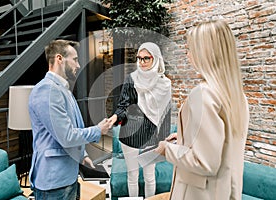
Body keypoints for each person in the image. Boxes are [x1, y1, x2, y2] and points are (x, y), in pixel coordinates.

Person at [154, 20, 250, 200]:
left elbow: (204, 163)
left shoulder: (203, 94)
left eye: (190, 49)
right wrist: (184, 137)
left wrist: (166, 148)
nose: (187, 54)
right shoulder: (237, 96)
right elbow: (225, 144)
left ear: (205, 52)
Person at [28, 39, 111, 200]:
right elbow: (67, 137)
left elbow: (71, 128)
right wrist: (98, 130)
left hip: (68, 177)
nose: (78, 65)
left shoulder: (62, 90)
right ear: (59, 58)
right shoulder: (46, 90)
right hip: (54, 183)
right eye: (75, 59)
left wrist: (82, 156)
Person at [108, 42, 172, 198]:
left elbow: (165, 114)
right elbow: (123, 105)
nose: (142, 62)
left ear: (155, 59)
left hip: (151, 134)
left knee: (150, 177)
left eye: (146, 58)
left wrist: (163, 139)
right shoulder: (132, 79)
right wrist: (116, 116)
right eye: (139, 58)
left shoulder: (165, 84)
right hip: (129, 133)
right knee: (132, 175)